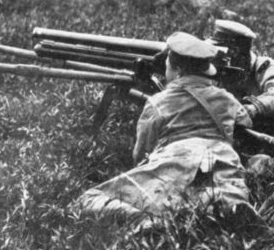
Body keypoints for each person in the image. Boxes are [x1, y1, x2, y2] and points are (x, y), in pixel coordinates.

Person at [75, 31, 263, 229]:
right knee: (225, 192)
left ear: (177, 70)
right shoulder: (226, 98)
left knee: (89, 199)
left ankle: (143, 220)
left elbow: (140, 154)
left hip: (176, 160)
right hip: (223, 160)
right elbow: (245, 122)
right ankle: (231, 208)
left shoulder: (158, 103)